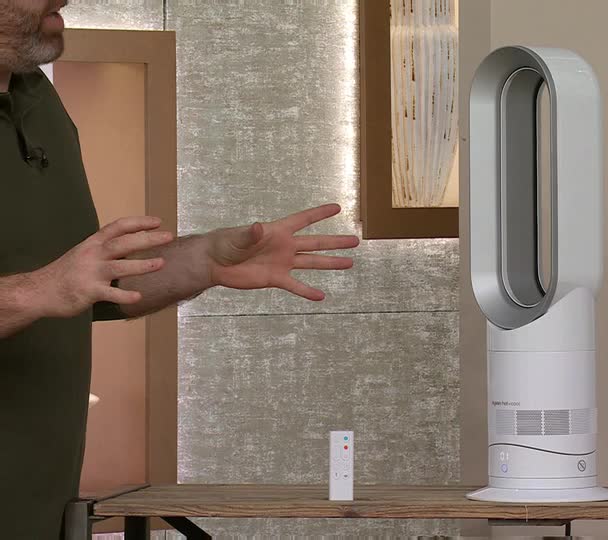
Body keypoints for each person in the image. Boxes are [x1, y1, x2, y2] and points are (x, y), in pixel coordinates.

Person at [0, 1, 361, 537]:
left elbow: (92, 284)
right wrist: (38, 292)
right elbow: (52, 287)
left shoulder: (37, 97)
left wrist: (206, 260)